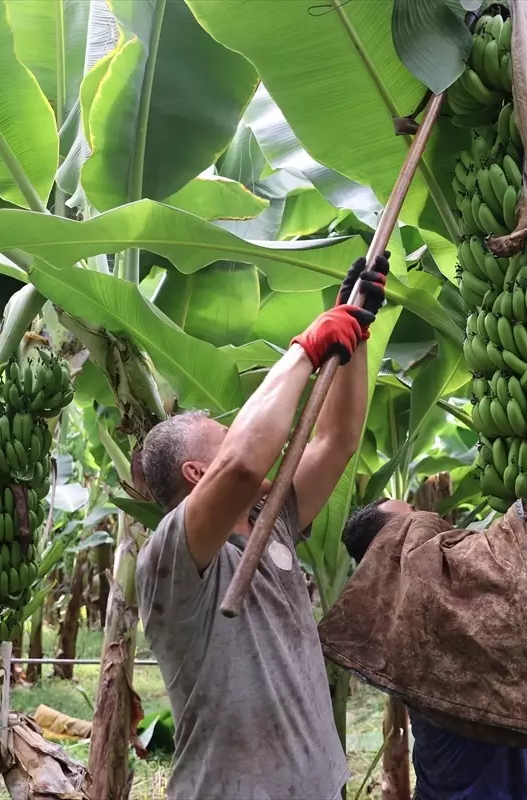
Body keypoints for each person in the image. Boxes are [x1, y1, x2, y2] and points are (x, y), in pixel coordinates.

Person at [135, 254, 390, 799]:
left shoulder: (271, 522)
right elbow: (244, 463)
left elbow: (336, 440)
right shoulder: (172, 559)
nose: (248, 438)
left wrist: (355, 330)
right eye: (225, 434)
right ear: (199, 473)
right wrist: (305, 348)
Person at [320, 365, 527, 800]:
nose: (430, 524)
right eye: (413, 518)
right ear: (394, 546)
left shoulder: (404, 612)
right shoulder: (450, 580)